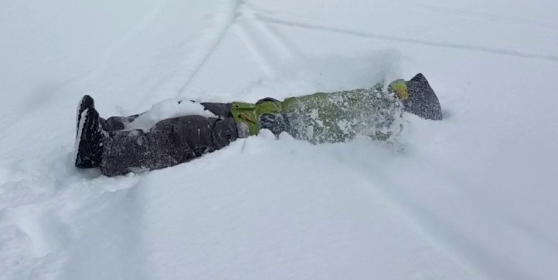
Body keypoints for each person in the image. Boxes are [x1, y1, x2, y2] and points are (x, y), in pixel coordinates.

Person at [74, 74, 442, 177]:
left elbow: (325, 123)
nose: (395, 90)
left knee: (187, 132)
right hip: (265, 113)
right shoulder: (369, 102)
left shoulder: (375, 114)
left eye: (403, 92)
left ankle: (109, 151)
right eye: (400, 88)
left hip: (276, 130)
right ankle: (111, 128)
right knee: (187, 107)